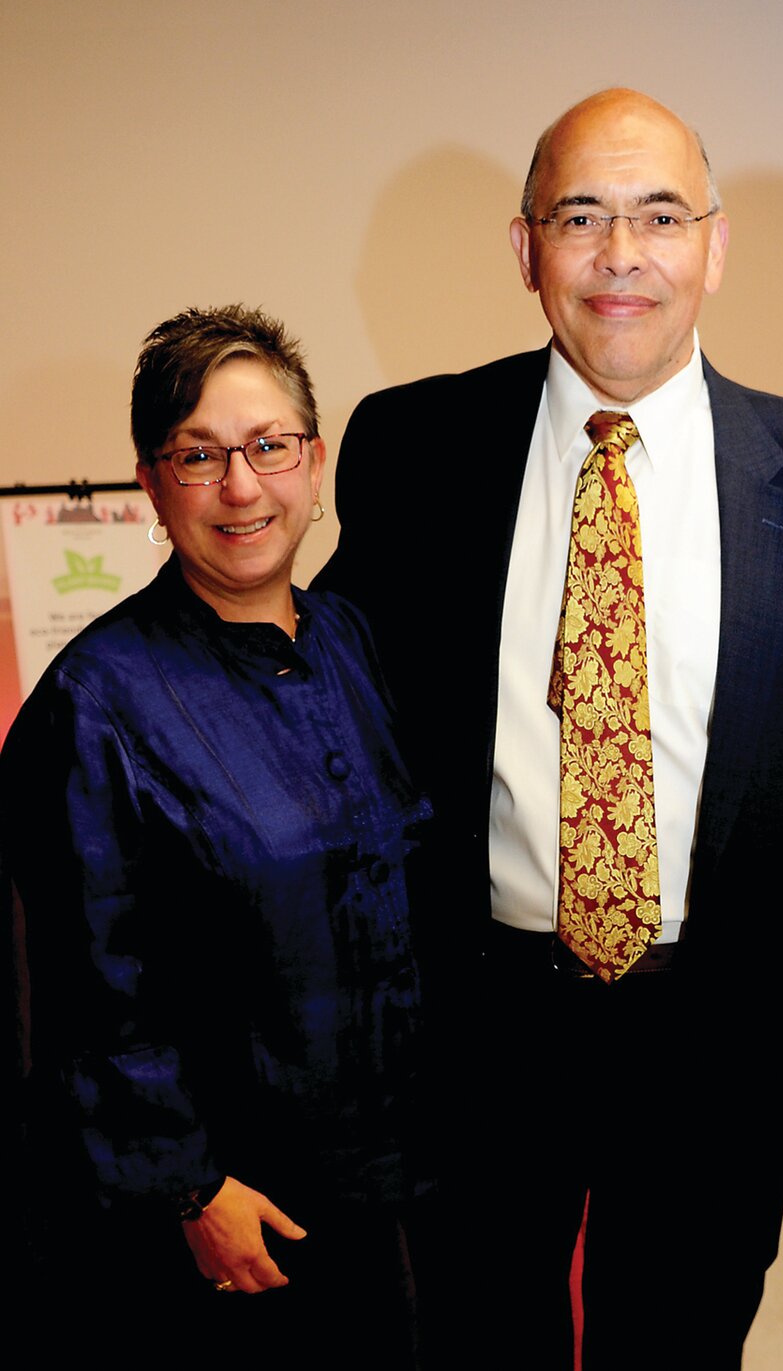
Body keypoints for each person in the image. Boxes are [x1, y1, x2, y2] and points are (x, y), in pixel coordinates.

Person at [318, 87, 783, 1367]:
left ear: (714, 244)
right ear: (525, 248)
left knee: (679, 1347)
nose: (621, 254)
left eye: (658, 215)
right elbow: (343, 726)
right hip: (479, 1030)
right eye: (580, 216)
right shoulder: (413, 447)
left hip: (713, 1036)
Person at [2, 306, 433, 1366]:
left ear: (314, 458)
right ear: (152, 484)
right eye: (200, 455)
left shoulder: (350, 638)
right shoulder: (97, 701)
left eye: (268, 446)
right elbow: (87, 985)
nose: (242, 486)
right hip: (221, 1216)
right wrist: (189, 1185)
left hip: (382, 1180)